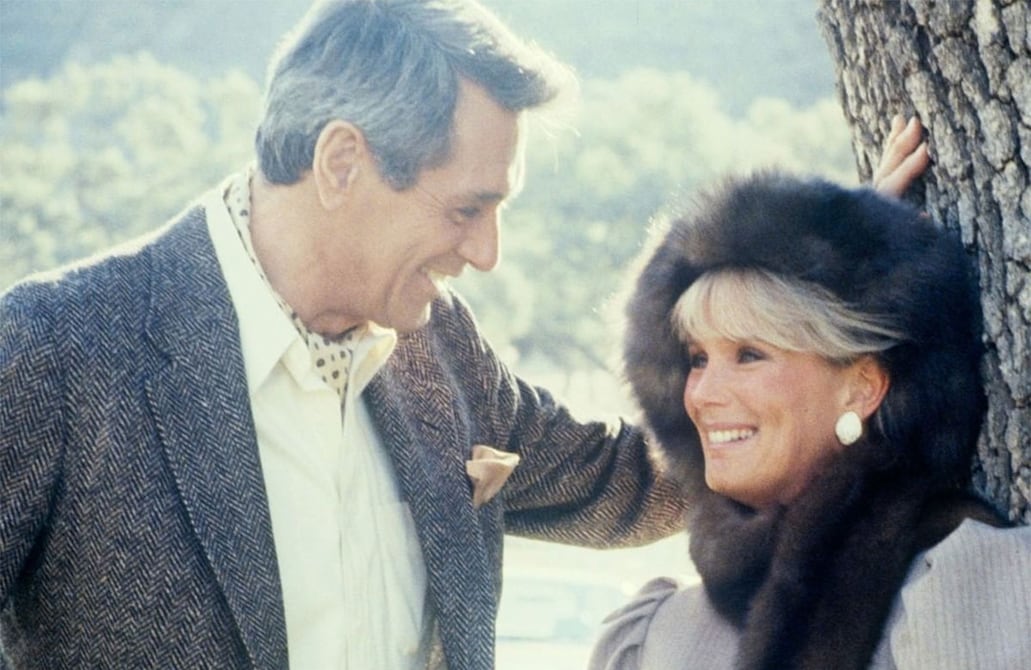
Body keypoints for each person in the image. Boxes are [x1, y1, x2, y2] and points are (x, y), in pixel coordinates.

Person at [0, 2, 692, 669]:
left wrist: (756, 370)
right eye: (466, 209)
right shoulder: (52, 351)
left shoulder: (443, 342)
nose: (487, 254)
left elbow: (627, 481)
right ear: (340, 163)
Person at [588, 165, 1031, 669]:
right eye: (697, 359)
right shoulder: (659, 632)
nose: (703, 393)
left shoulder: (968, 594)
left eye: (749, 355)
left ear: (862, 388)